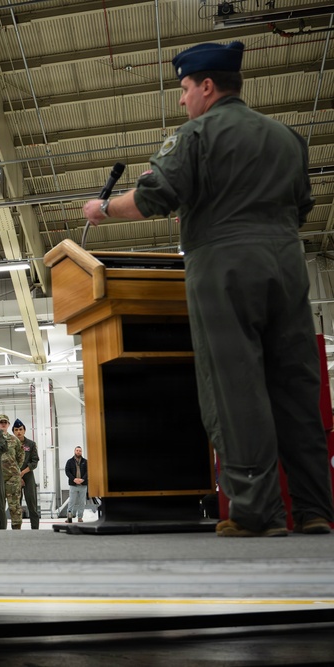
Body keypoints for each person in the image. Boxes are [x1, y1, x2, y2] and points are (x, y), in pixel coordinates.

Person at [83, 40, 334, 537]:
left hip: (224, 265)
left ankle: (256, 513)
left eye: (184, 89)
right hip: (286, 264)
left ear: (206, 86)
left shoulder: (196, 135)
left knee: (234, 385)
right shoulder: (286, 137)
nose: (182, 100)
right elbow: (302, 204)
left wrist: (103, 210)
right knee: (295, 385)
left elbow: (155, 197)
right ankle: (315, 510)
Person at [12, 419, 41, 530]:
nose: (18, 432)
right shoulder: (10, 444)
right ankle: (16, 529)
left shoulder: (31, 444)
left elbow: (35, 461)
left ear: (24, 430)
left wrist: (23, 473)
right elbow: (9, 461)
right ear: (13, 431)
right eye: (16, 430)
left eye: (20, 429)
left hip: (28, 476)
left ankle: (35, 529)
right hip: (14, 477)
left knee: (32, 505)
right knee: (16, 506)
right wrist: (17, 476)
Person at [0, 414, 24, 530]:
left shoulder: (14, 440)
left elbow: (21, 456)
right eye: (1, 422)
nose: (3, 424)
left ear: (8, 424)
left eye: (5, 422)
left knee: (14, 505)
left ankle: (16, 528)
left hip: (12, 478)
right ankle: (0, 529)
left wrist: (14, 469)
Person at [66, 446, 89, 523]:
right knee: (71, 502)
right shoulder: (69, 461)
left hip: (83, 485)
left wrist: (83, 479)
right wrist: (74, 479)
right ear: (74, 451)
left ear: (81, 452)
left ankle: (80, 517)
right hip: (73, 485)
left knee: (82, 502)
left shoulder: (85, 461)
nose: (78, 452)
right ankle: (69, 517)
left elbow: (88, 471)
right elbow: (67, 471)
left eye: (80, 451)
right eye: (77, 450)